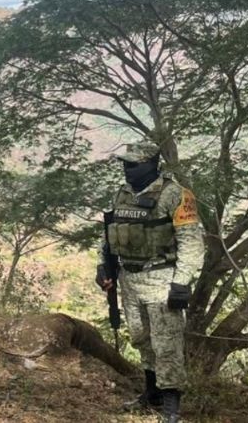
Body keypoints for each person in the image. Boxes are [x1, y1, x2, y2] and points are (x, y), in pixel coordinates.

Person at [96, 140, 205, 423]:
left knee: (166, 344)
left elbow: (191, 242)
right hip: (128, 278)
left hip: (161, 278)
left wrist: (181, 282)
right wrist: (102, 266)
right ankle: (151, 395)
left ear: (152, 164)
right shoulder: (122, 194)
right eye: (125, 164)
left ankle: (171, 408)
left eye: (134, 165)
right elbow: (108, 234)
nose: (128, 170)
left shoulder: (175, 194)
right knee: (141, 338)